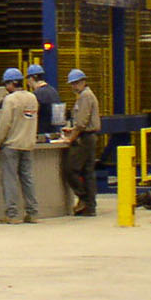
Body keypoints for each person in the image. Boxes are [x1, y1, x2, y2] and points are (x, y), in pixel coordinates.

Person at [0, 67, 39, 223]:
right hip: (28, 144)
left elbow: (5, 124)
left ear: (11, 83)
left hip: (12, 145)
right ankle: (32, 213)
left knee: (10, 179)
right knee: (28, 179)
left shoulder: (10, 100)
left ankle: (12, 215)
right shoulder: (32, 98)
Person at [61, 68, 102, 215]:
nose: (74, 86)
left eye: (76, 83)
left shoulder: (85, 96)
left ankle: (84, 198)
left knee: (70, 170)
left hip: (85, 138)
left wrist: (71, 138)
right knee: (88, 172)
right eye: (72, 83)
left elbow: (82, 123)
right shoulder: (85, 96)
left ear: (84, 82)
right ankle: (90, 207)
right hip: (89, 137)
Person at [27, 63, 62, 138]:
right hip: (55, 134)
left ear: (31, 78)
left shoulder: (36, 94)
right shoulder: (54, 91)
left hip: (42, 135)